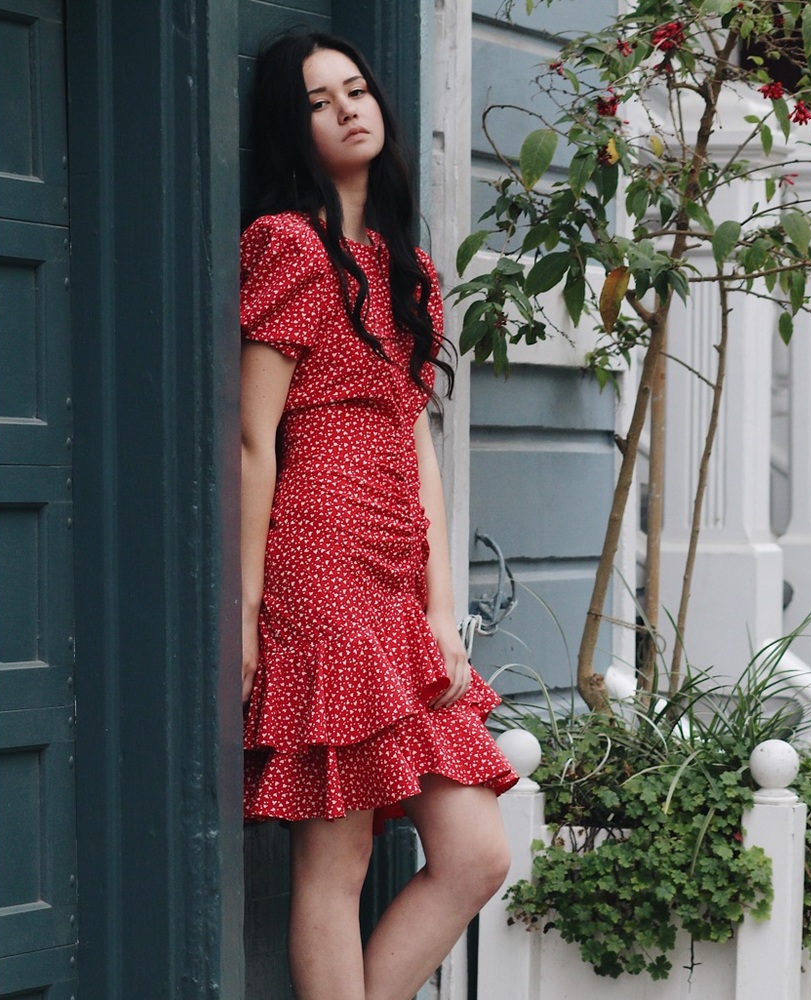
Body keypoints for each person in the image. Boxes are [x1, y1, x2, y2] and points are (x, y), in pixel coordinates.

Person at [239, 30, 517, 1000]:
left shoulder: (406, 267)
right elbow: (251, 439)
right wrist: (245, 612)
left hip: (396, 576)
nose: (351, 108)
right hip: (316, 566)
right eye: (321, 99)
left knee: (476, 852)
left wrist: (443, 613)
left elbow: (417, 441)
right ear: (291, 124)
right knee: (336, 862)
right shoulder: (285, 244)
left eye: (357, 89)